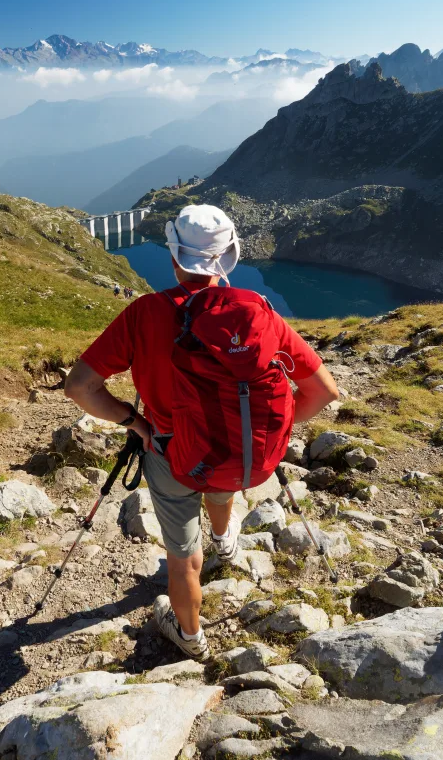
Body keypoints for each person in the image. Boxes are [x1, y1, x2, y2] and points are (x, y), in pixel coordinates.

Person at [65, 204, 338, 661]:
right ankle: (224, 539)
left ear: (174, 256)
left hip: (170, 450)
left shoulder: (145, 313)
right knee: (220, 480)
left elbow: (79, 386)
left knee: (181, 557)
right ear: (229, 256)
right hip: (239, 452)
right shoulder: (258, 316)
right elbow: (323, 391)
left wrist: (134, 421)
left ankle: (190, 636)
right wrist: (268, 428)